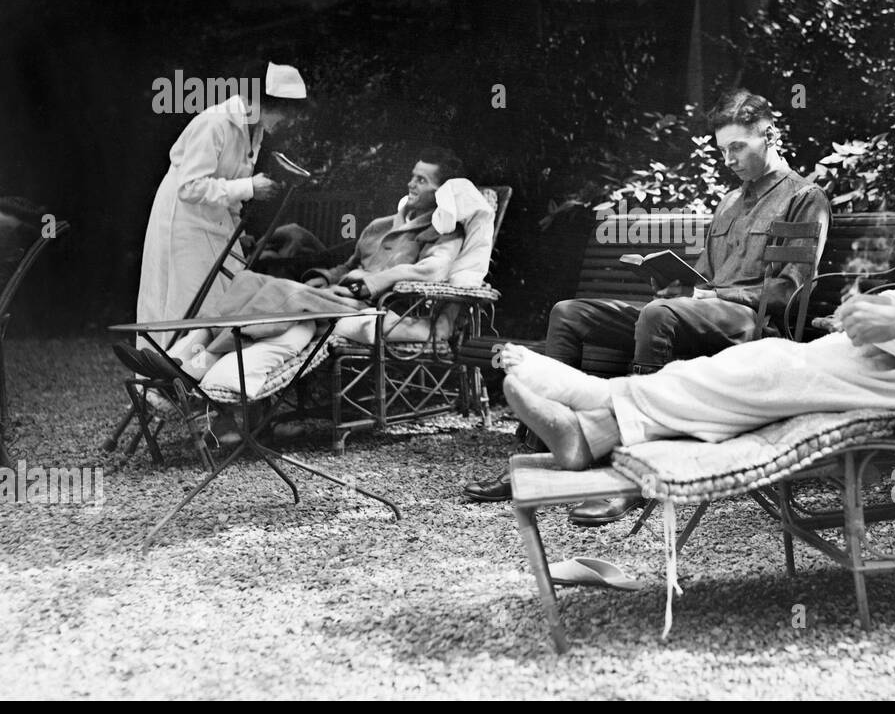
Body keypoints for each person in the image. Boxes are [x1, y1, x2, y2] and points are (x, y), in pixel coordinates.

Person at [501, 71, 895, 468]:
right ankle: (599, 429)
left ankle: (604, 403)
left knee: (779, 370)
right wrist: (892, 308)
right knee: (770, 365)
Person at [465, 89, 831, 520]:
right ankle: (536, 455)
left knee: (658, 316)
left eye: (738, 147)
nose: (729, 159)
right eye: (723, 150)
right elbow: (704, 275)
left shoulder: (803, 198)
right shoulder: (730, 201)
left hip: (750, 324)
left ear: (768, 135)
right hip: (701, 313)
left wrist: (710, 296)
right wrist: (677, 285)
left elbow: (786, 293)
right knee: (569, 313)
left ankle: (637, 477)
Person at [163, 148, 493, 399]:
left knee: (281, 293)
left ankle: (196, 362)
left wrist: (377, 281)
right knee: (249, 281)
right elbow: (348, 265)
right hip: (336, 295)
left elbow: (433, 269)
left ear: (442, 192)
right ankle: (185, 354)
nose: (411, 184)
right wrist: (324, 278)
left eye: (422, 180)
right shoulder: (381, 226)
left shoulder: (442, 232)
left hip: (376, 307)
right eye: (412, 176)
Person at [135, 62, 306, 340]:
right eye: (286, 114)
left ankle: (198, 376)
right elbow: (190, 186)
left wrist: (237, 232)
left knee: (222, 299)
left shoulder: (255, 130)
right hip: (183, 222)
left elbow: (231, 188)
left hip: (212, 221)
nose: (287, 122)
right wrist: (250, 186)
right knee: (183, 302)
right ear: (266, 102)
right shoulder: (215, 122)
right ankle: (165, 376)